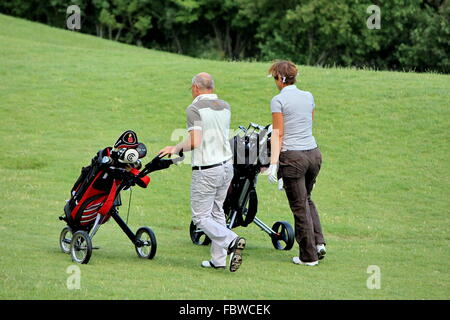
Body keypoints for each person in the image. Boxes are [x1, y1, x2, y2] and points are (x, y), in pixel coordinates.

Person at [159, 72, 246, 272]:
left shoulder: (194, 109)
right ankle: (218, 260)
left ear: (196, 88)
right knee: (217, 212)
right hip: (226, 167)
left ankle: (232, 241)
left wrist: (175, 148)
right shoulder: (225, 106)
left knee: (200, 217)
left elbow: (195, 141)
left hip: (207, 169)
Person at [265, 60, 326, 266]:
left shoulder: (278, 100)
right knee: (307, 199)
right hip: (314, 155)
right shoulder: (308, 96)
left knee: (299, 207)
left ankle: (308, 256)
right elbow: (307, 122)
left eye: (274, 77)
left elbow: (278, 133)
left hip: (293, 158)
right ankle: (318, 243)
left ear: (279, 79)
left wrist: (273, 164)